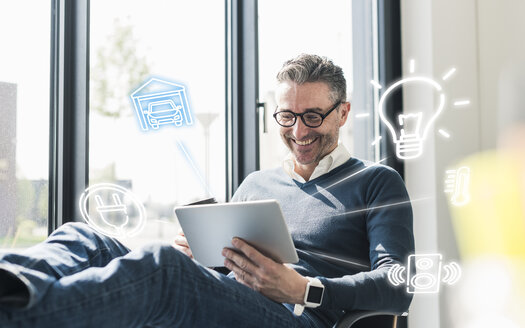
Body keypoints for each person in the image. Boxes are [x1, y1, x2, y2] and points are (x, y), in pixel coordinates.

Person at [0, 54, 414, 328]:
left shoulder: (376, 182)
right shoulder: (256, 184)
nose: (299, 131)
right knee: (84, 237)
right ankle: (12, 284)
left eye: (312, 116)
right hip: (238, 299)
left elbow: (398, 286)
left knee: (161, 267)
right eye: (287, 116)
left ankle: (19, 319)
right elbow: (226, 270)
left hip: (298, 317)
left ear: (342, 112)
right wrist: (202, 253)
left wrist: (302, 288)